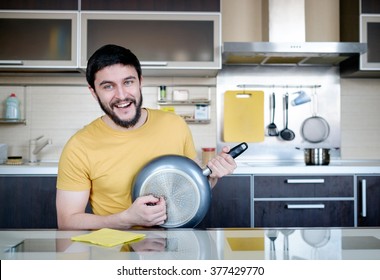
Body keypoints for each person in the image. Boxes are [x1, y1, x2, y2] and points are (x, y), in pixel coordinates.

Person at [56, 44, 237, 230]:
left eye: (128, 82)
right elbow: (67, 221)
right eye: (108, 86)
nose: (121, 95)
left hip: (175, 247)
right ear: (94, 92)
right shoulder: (79, 146)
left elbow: (188, 188)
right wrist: (126, 219)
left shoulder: (175, 125)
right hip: (115, 252)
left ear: (140, 81)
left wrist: (213, 176)